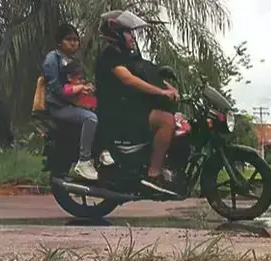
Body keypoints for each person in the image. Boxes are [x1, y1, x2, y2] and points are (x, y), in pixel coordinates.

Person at [94, 10, 180, 196]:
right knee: (167, 121)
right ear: (116, 33)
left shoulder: (129, 55)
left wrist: (170, 88)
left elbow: (147, 74)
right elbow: (130, 80)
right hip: (117, 112)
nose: (132, 36)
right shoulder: (110, 55)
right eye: (128, 32)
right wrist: (161, 92)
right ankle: (153, 174)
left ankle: (162, 166)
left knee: (177, 120)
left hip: (131, 109)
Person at [42, 24, 99, 181]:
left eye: (76, 39)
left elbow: (81, 81)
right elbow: (56, 89)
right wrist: (79, 90)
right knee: (90, 118)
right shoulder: (52, 59)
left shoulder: (73, 60)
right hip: (59, 106)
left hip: (74, 104)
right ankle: (84, 160)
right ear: (60, 41)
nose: (73, 43)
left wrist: (87, 88)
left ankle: (101, 153)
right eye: (69, 39)